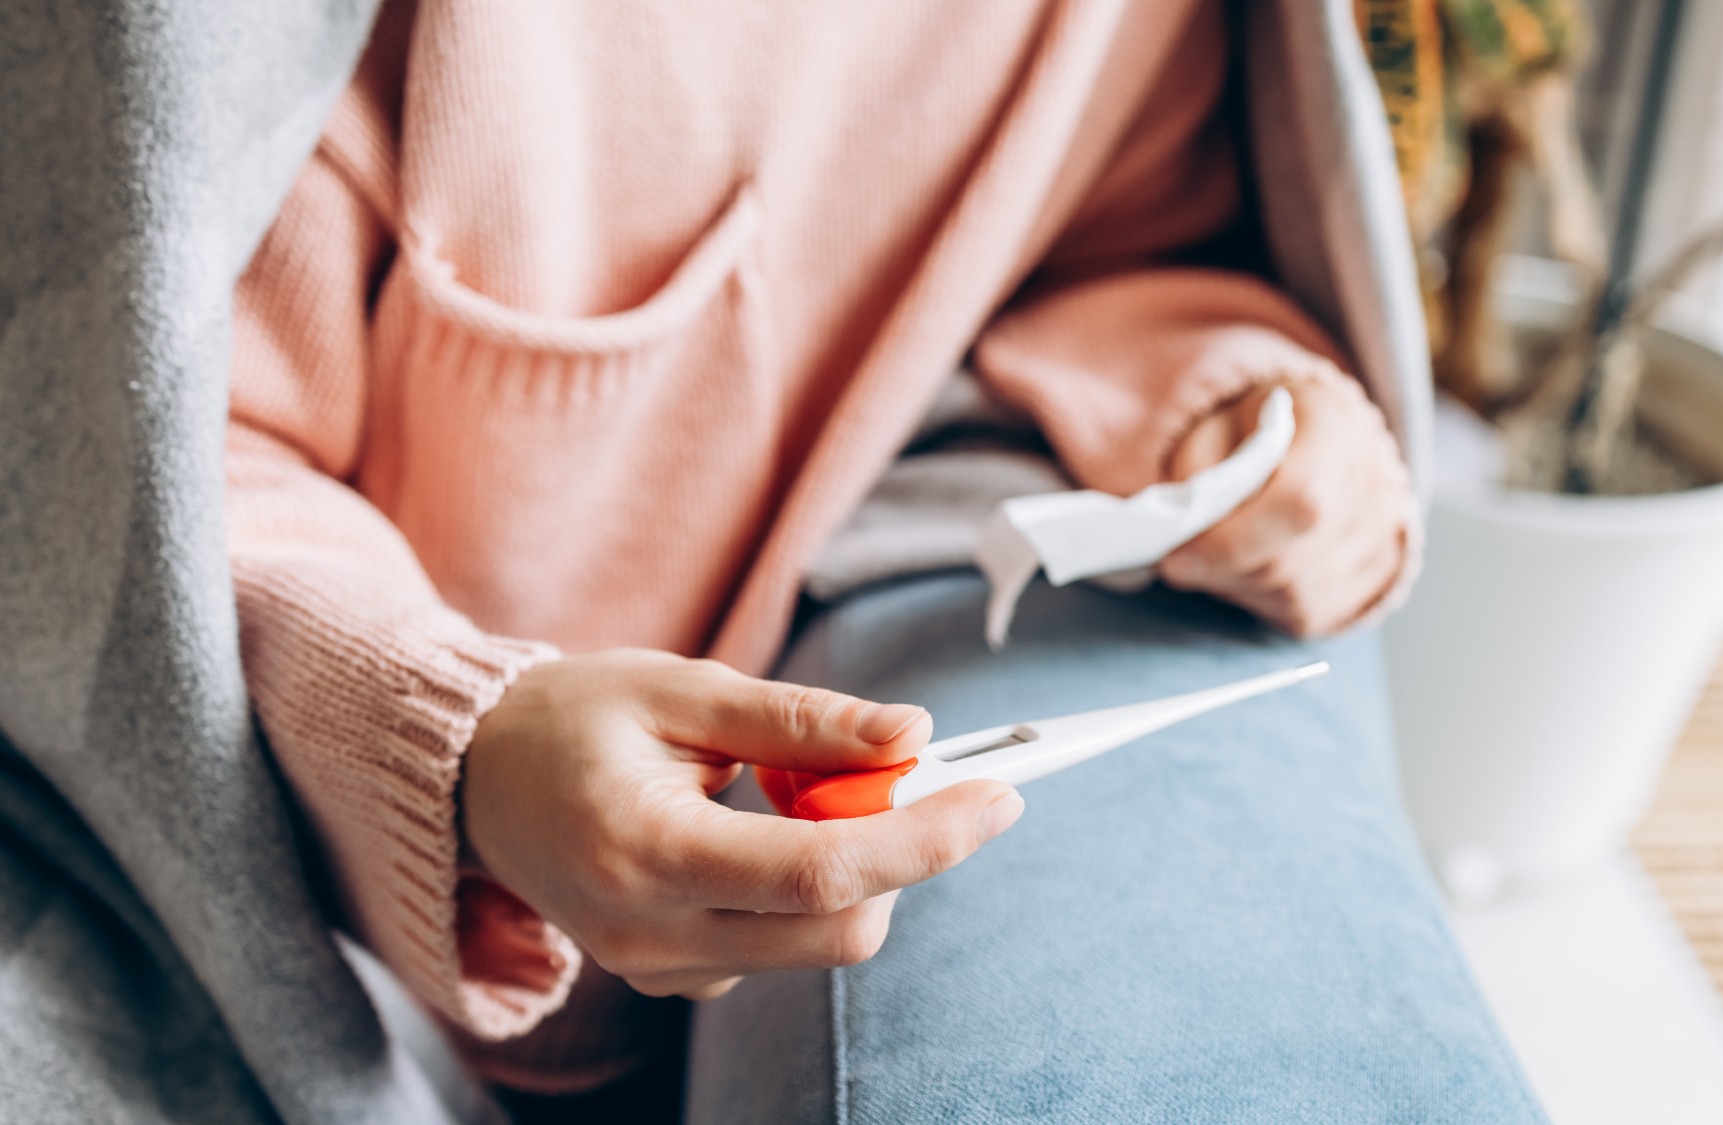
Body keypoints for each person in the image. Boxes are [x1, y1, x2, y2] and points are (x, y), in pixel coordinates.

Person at [226, 0, 1540, 1118]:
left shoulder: (1125, 30)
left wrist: (1229, 396)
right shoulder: (367, 57)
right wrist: (462, 745)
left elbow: (1133, 241)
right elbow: (173, 459)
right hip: (366, 932)